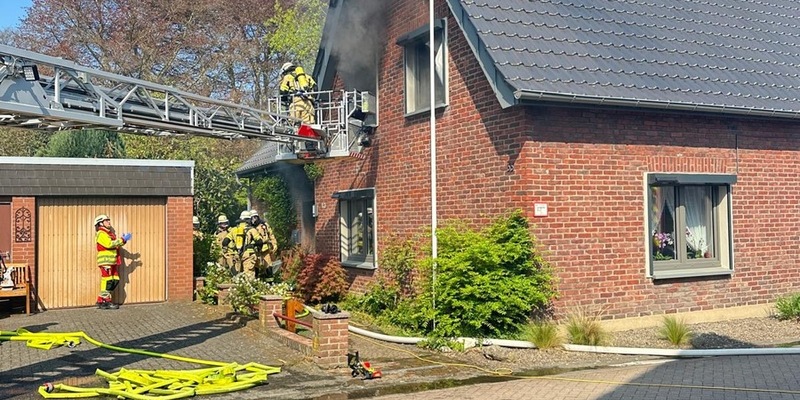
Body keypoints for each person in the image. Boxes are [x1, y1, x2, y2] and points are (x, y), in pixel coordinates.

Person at [94, 214, 130, 310]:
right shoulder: (101, 233)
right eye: (106, 220)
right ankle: (105, 301)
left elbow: (115, 245)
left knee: (114, 280)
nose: (109, 222)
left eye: (109, 220)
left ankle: (101, 300)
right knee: (108, 281)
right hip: (105, 261)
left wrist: (123, 241)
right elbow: (109, 244)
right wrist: (122, 240)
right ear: (100, 223)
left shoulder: (108, 234)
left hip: (112, 261)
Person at [223, 211, 262, 279]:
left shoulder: (234, 229)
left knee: (238, 277)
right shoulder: (252, 230)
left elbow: (225, 242)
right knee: (249, 276)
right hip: (248, 255)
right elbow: (260, 241)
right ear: (249, 219)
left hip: (237, 255)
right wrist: (257, 249)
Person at [250, 210, 278, 275]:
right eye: (252, 217)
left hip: (265, 249)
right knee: (254, 266)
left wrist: (274, 244)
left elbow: (271, 235)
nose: (254, 219)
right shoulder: (249, 228)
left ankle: (270, 279)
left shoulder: (264, 225)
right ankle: (256, 279)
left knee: (268, 266)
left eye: (255, 217)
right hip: (254, 250)